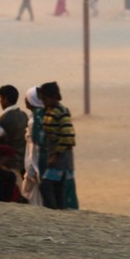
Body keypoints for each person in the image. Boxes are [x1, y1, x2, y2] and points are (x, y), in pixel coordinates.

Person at [38, 81, 78, 210]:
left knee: (45, 185)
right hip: (54, 152)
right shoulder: (49, 111)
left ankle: (53, 211)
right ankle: (59, 211)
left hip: (61, 155)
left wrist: (55, 156)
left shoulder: (61, 111)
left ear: (54, 97)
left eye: (45, 98)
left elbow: (67, 136)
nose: (43, 101)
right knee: (58, 187)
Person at [0, 84, 29, 180]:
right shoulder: (23, 115)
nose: (0, 102)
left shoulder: (3, 120)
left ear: (5, 99)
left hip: (10, 164)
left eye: (0, 98)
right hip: (23, 162)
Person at [21, 85, 47, 206]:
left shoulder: (34, 122)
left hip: (35, 170)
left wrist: (30, 172)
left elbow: (34, 149)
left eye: (26, 98)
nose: (25, 101)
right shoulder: (41, 116)